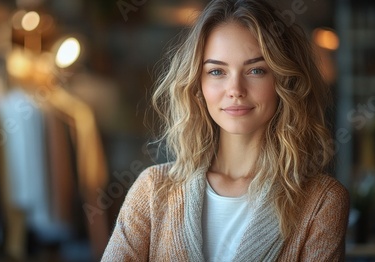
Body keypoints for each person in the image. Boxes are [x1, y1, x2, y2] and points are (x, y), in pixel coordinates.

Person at [102, 0, 350, 261]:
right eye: (217, 71)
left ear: (284, 81)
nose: (235, 89)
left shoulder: (322, 202)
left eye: (256, 70)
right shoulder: (153, 189)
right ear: (197, 85)